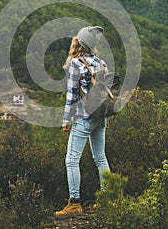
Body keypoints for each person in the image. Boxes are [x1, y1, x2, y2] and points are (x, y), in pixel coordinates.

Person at [54, 26, 110, 220]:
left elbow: (71, 95)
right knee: (100, 158)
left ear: (79, 43)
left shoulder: (76, 64)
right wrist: (106, 118)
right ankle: (107, 197)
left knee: (71, 160)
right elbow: (108, 95)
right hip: (100, 118)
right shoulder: (102, 64)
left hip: (83, 117)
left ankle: (75, 203)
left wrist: (65, 120)